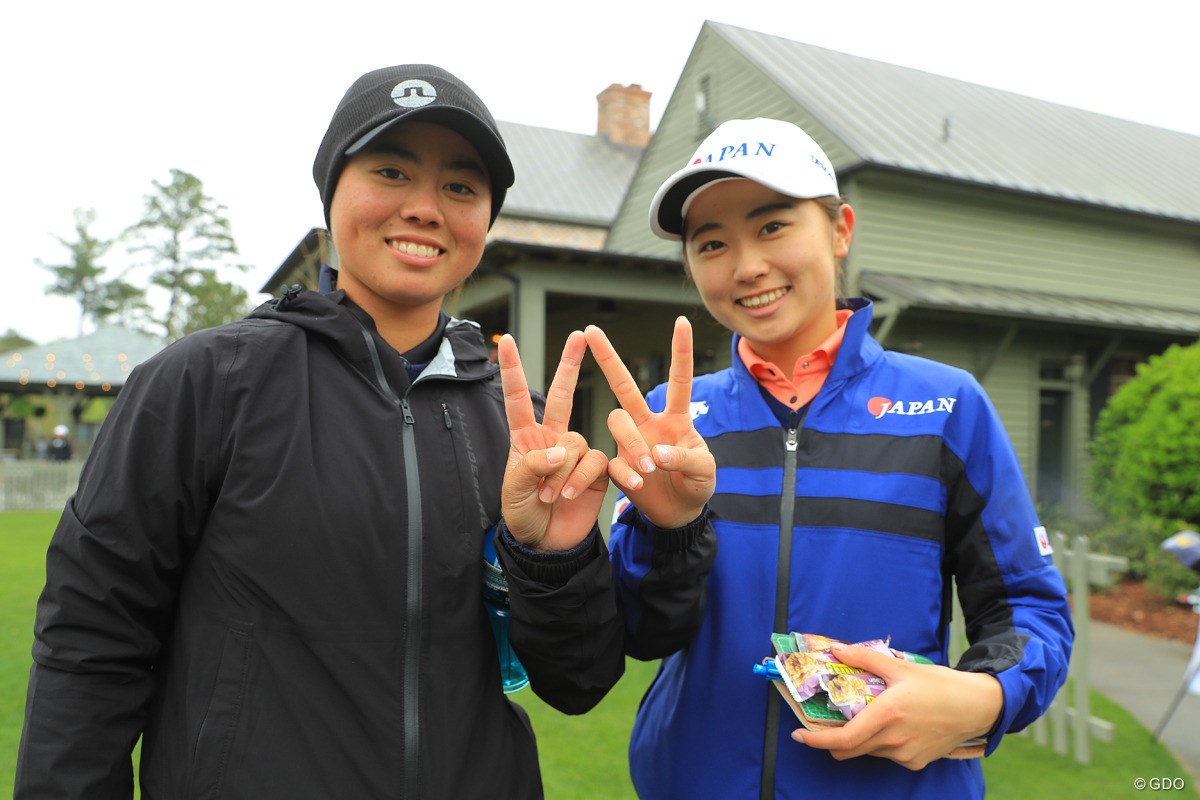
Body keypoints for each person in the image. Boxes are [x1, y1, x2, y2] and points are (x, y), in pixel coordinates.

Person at [15, 64, 710, 799]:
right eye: (390, 169)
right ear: (331, 195)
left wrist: (554, 556)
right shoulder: (203, 382)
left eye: (460, 187)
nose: (425, 208)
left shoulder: (526, 431)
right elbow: (89, 642)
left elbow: (578, 681)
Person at [598, 117, 1074, 799]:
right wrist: (667, 530)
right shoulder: (672, 421)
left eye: (771, 227)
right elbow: (641, 631)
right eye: (711, 243)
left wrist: (986, 697)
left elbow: (1028, 607)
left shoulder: (945, 406)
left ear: (840, 230)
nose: (747, 266)